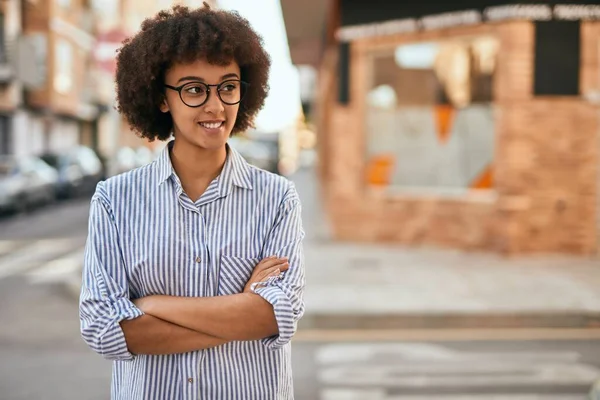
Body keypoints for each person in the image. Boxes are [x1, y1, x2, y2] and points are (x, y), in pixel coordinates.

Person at [78, 4, 305, 399]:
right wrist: (236, 313)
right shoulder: (115, 201)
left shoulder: (277, 199)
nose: (216, 106)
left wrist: (153, 304)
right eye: (195, 89)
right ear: (162, 98)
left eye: (228, 86)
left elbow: (271, 316)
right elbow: (103, 328)